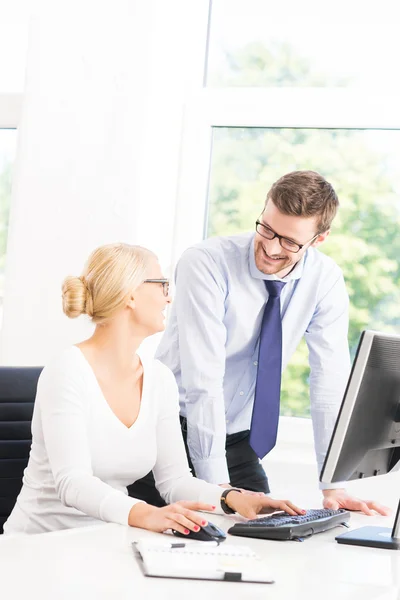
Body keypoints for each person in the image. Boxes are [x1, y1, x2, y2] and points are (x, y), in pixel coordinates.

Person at [3, 242, 304, 536]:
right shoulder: (67, 370)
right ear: (131, 295)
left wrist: (233, 498)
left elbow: (174, 480)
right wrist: (146, 513)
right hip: (39, 546)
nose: (168, 298)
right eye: (162, 284)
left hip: (105, 542)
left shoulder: (159, 378)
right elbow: (73, 482)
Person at [141, 170, 389, 517]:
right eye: (267, 229)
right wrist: (221, 493)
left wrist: (333, 484)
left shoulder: (324, 279)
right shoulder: (207, 263)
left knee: (266, 538)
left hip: (238, 439)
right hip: (168, 430)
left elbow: (328, 382)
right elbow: (204, 381)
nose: (271, 247)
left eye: (289, 241)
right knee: (151, 540)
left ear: (319, 239)